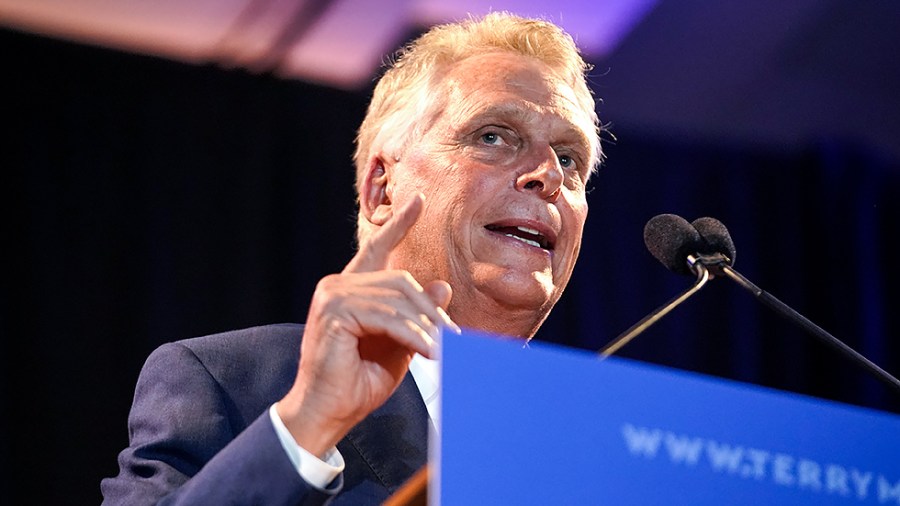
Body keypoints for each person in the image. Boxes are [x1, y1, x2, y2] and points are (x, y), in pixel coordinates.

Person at [101, 10, 602, 505]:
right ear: (383, 189)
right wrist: (308, 421)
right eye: (492, 136)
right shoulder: (231, 384)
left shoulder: (606, 437)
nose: (548, 176)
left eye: (568, 158)